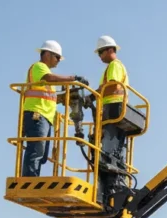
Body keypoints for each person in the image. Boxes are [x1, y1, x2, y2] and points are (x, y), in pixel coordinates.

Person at [21, 41, 88, 177]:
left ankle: (33, 179)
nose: (58, 61)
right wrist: (73, 79)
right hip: (37, 114)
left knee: (42, 155)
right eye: (57, 57)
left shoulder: (47, 77)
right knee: (36, 151)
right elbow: (49, 78)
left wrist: (67, 97)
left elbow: (50, 97)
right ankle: (29, 181)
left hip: (45, 117)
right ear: (46, 54)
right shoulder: (39, 67)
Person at [94, 35, 129, 169]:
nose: (99, 56)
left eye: (100, 52)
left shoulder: (114, 65)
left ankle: (108, 164)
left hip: (113, 106)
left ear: (109, 50)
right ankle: (116, 165)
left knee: (109, 137)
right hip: (118, 107)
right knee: (117, 142)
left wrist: (93, 96)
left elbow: (112, 85)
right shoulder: (117, 66)